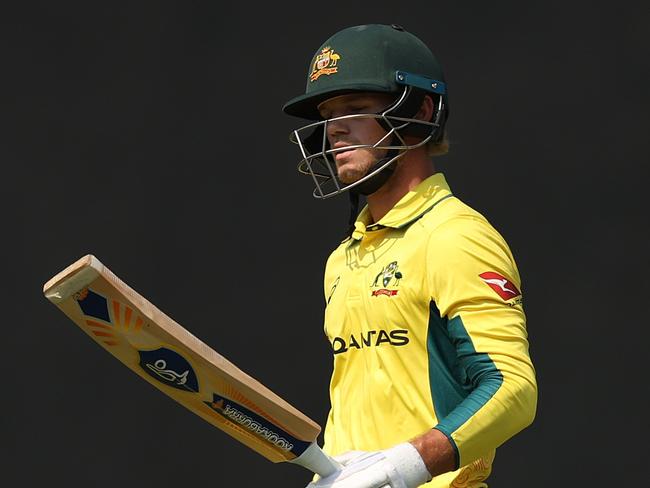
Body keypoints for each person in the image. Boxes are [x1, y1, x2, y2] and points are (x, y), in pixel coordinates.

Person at [283, 24, 537, 488]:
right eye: (327, 114)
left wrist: (399, 467)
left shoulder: (454, 235)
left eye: (355, 109)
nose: (333, 129)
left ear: (420, 110)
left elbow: (512, 389)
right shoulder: (343, 259)